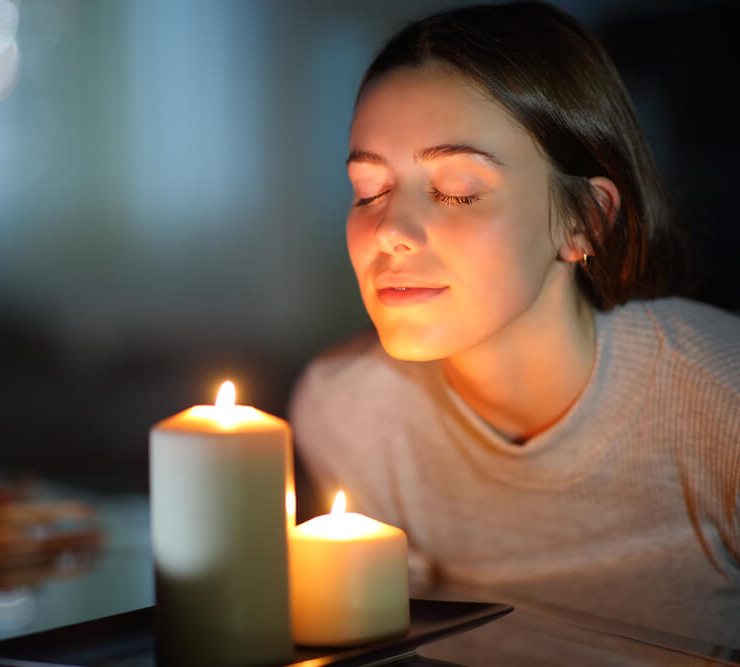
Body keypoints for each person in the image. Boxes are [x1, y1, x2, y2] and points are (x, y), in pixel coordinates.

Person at [289, 0, 740, 646]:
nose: (390, 231)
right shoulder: (347, 409)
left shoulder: (719, 403)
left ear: (584, 218)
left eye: (458, 190)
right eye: (368, 191)